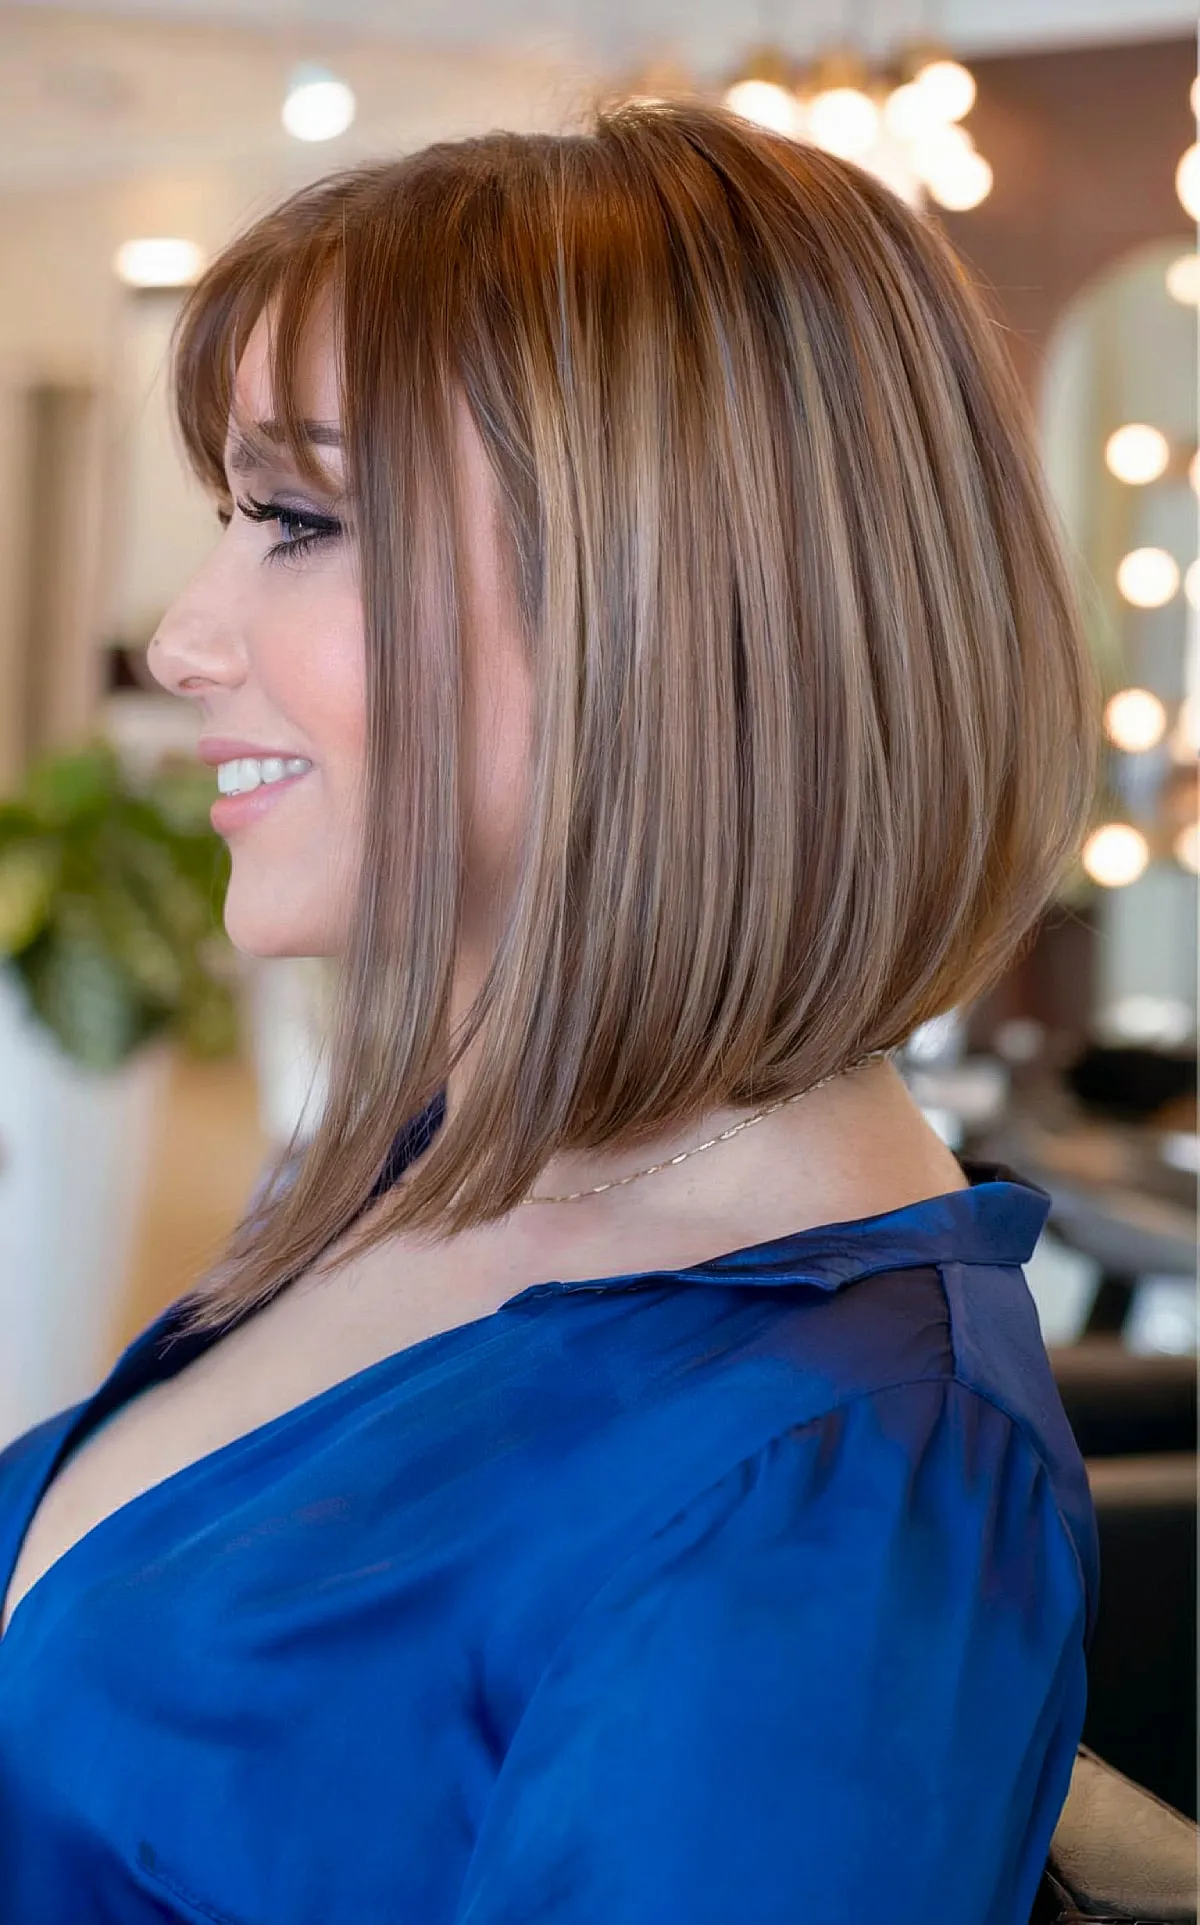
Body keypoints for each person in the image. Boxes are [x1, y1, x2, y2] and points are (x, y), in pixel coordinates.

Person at [0, 99, 1101, 1923]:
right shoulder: (441, 1169)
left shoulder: (818, 1489)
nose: (183, 638)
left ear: (671, 607)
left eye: (298, 521)